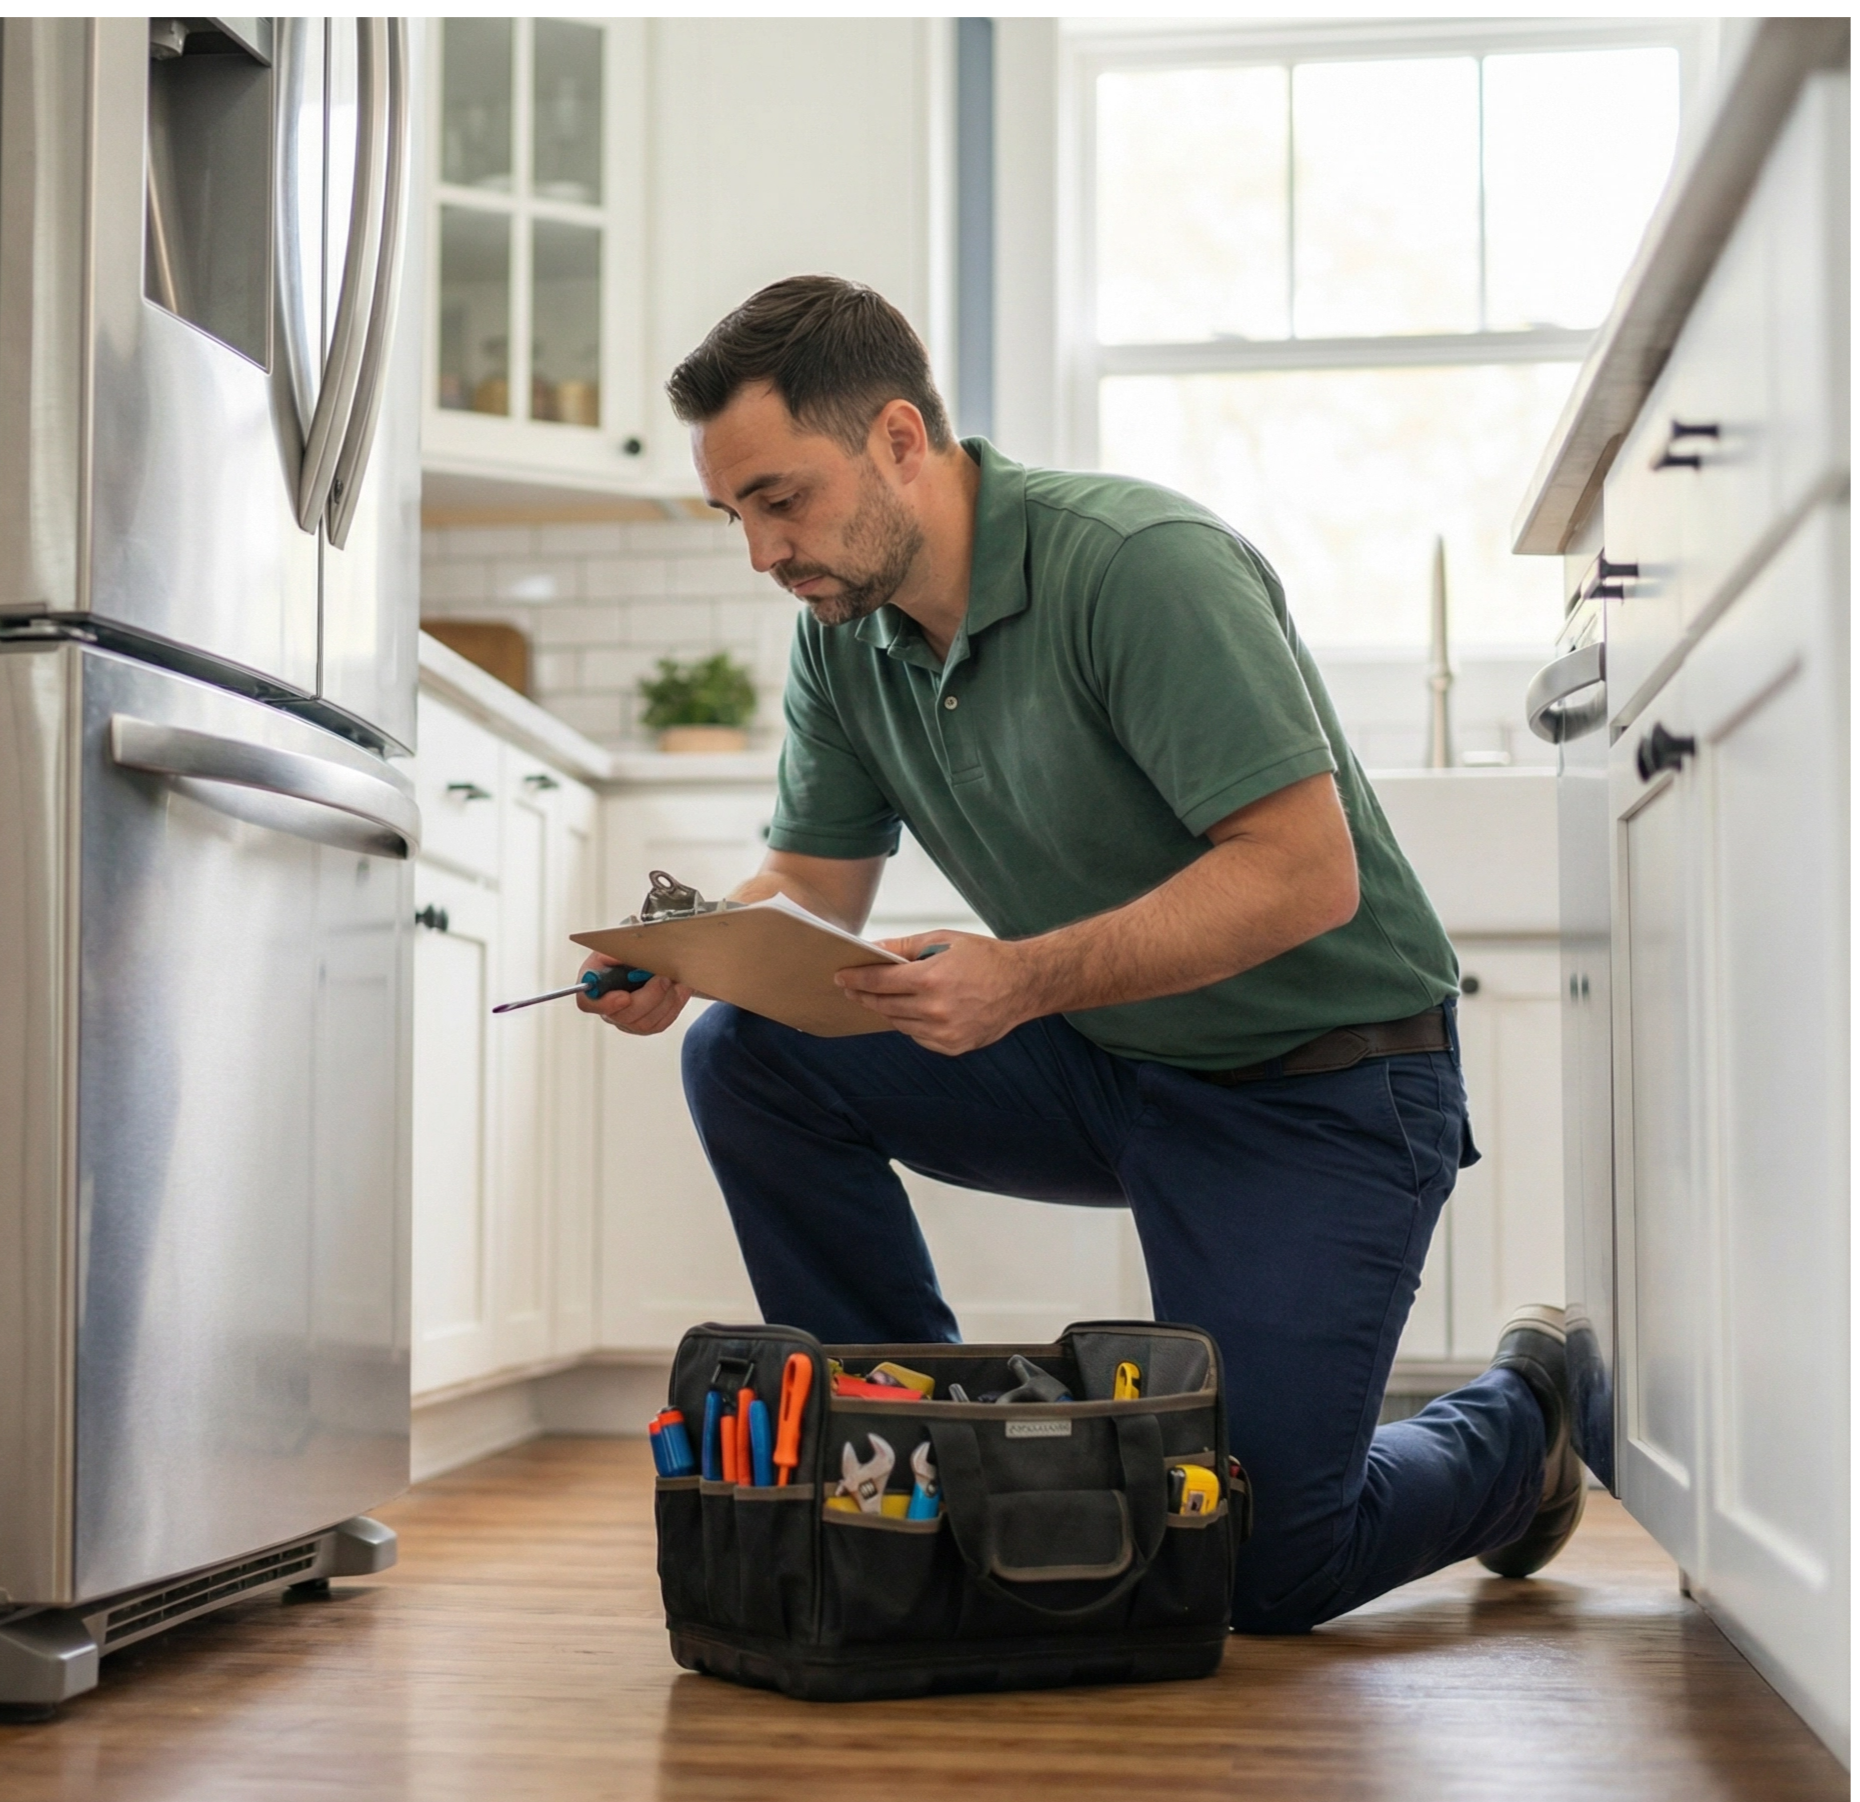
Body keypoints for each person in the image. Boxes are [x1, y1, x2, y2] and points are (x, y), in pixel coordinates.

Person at [577, 274, 1583, 1632]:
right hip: (1113, 1061)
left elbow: (1305, 872)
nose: (762, 552)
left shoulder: (1136, 565)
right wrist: (700, 949)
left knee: (1258, 1568)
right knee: (750, 1050)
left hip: (1323, 1089)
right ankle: (915, 1455)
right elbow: (813, 881)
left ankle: (1524, 1424)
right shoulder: (844, 643)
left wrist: (1024, 975)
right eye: (735, 513)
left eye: (780, 498)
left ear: (896, 440)